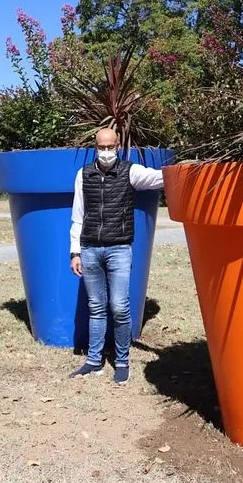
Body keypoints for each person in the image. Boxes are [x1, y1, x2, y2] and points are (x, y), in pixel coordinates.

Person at [68, 128, 164, 384]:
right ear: (95, 147)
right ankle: (93, 362)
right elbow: (78, 215)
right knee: (96, 308)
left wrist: (186, 173)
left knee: (120, 307)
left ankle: (122, 362)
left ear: (118, 146)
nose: (107, 151)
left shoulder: (130, 171)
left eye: (111, 147)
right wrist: (75, 252)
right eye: (102, 147)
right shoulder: (83, 175)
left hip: (120, 249)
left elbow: (158, 178)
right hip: (89, 249)